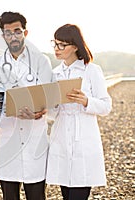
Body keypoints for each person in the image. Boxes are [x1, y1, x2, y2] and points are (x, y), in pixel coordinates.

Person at [0, 11, 52, 200]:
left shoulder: (41, 61)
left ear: (25, 32)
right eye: (8, 32)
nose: (13, 36)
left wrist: (41, 110)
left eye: (17, 31)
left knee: (37, 195)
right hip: (7, 139)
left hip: (35, 139)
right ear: (3, 36)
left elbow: (48, 96)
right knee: (9, 196)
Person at [46, 24, 112, 200]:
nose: (56, 49)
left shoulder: (91, 70)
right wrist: (46, 108)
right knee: (66, 194)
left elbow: (106, 106)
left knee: (79, 194)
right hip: (61, 139)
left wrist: (86, 101)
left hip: (83, 139)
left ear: (75, 46)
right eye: (55, 43)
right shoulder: (55, 74)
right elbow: (53, 114)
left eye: (62, 45)